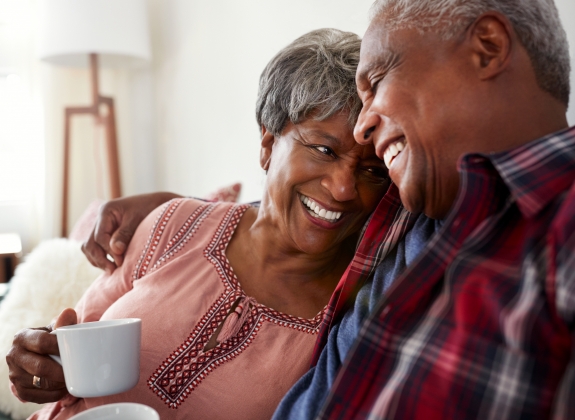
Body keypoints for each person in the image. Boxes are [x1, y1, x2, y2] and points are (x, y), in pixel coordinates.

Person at [81, 0, 575, 419]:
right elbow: (275, 219)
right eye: (324, 149)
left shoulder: (549, 232)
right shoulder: (416, 226)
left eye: (378, 80)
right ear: (267, 144)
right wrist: (169, 209)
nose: (364, 129)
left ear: (487, 47)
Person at [6, 29, 392, 420]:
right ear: (268, 141)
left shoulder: (353, 317)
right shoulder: (174, 223)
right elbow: (69, 344)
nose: (344, 188)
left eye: (372, 170)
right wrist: (38, 364)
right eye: (324, 150)